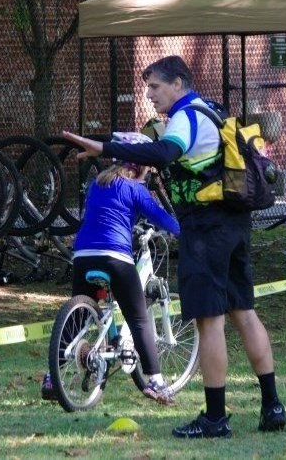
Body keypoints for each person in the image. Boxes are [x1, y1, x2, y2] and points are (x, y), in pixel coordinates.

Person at [62, 55, 286, 438]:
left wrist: (104, 148)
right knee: (244, 312)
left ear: (178, 84)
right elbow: (151, 144)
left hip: (206, 227)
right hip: (233, 222)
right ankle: (272, 406)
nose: (149, 95)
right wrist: (115, 144)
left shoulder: (185, 118)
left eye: (155, 87)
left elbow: (163, 153)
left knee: (210, 320)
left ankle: (215, 418)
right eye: (147, 87)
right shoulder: (209, 110)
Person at [42, 131, 180, 405]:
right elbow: (162, 218)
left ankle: (50, 376)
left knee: (77, 317)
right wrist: (188, 233)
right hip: (114, 256)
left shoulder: (98, 182)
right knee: (139, 319)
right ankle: (156, 382)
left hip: (83, 255)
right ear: (139, 164)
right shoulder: (136, 190)